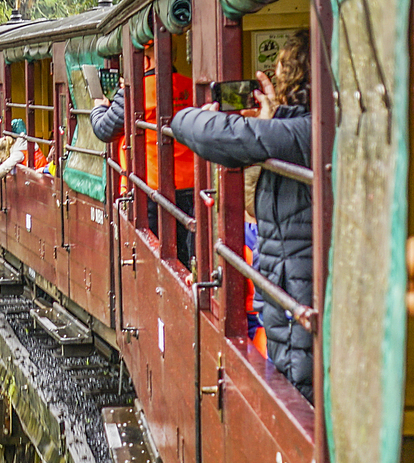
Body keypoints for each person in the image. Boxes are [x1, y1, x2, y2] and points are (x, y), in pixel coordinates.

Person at [168, 31, 313, 400]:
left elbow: (203, 131)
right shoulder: (293, 130)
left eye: (279, 76)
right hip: (290, 297)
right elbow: (253, 203)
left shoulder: (304, 130)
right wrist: (270, 120)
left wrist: (195, 114)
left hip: (299, 305)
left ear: (293, 81)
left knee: (300, 400)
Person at [91, 55, 197, 266]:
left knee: (158, 253)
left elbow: (104, 129)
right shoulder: (189, 85)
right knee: (186, 251)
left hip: (152, 187)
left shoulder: (135, 92)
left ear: (145, 61)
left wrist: (99, 107)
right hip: (191, 185)